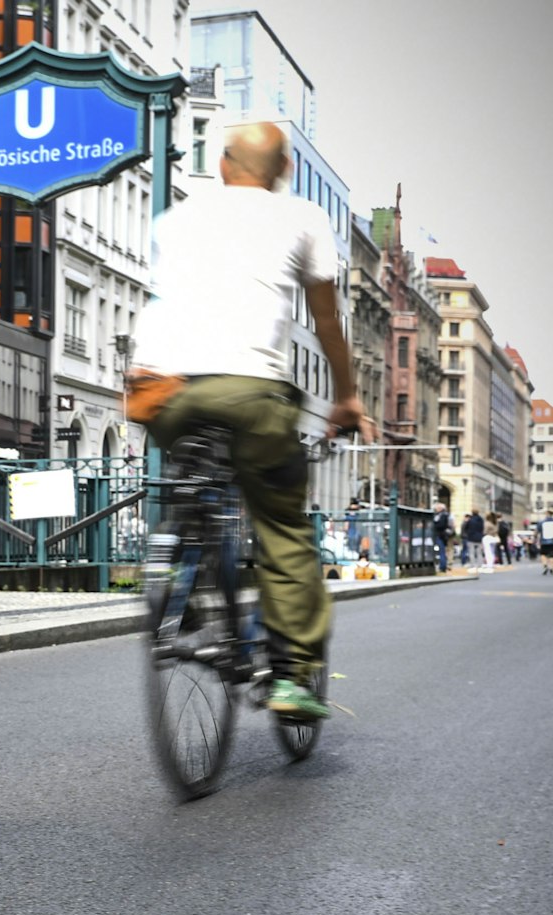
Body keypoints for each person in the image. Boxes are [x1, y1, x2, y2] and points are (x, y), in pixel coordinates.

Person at [129, 121, 374, 721]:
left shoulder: (176, 220)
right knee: (282, 527)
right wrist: (345, 397)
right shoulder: (303, 218)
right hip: (252, 391)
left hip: (165, 388)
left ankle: (179, 570)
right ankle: (291, 676)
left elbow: (167, 302)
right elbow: (326, 322)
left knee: (192, 470)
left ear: (222, 165)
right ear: (283, 171)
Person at [535, 508, 553, 575]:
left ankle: (545, 565)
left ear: (546, 514)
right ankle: (551, 567)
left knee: (543, 554)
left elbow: (537, 531)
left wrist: (535, 537)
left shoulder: (542, 522)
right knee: (552, 555)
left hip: (543, 541)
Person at [431, 503, 452, 573]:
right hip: (441, 535)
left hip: (440, 535)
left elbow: (441, 525)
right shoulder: (443, 515)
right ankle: (442, 565)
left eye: (437, 508)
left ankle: (442, 566)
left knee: (441, 551)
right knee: (441, 551)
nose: (435, 509)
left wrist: (435, 525)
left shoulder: (442, 515)